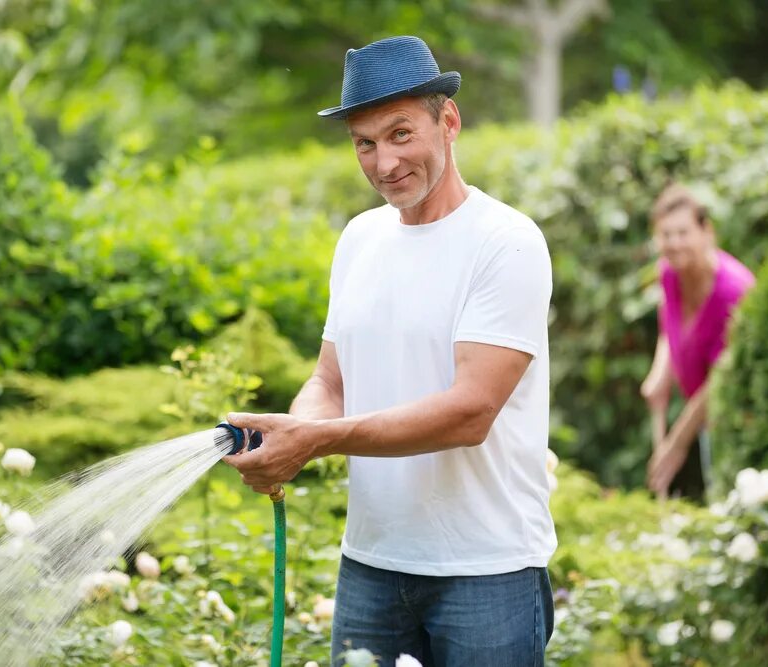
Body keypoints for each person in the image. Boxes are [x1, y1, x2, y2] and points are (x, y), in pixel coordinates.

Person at [224, 35, 556, 667]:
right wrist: (293, 432)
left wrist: (317, 441)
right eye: (365, 143)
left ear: (449, 121)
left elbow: (469, 413)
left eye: (401, 134)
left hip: (487, 571)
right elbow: (331, 380)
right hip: (371, 566)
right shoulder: (359, 239)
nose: (383, 162)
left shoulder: (506, 242)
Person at [642, 183, 755, 501]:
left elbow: (722, 377)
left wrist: (676, 445)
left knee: (737, 502)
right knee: (720, 502)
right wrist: (660, 373)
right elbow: (670, 325)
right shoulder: (669, 274)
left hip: (740, 416)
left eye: (683, 232)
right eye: (665, 234)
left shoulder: (734, 292)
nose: (674, 243)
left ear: (707, 232)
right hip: (708, 418)